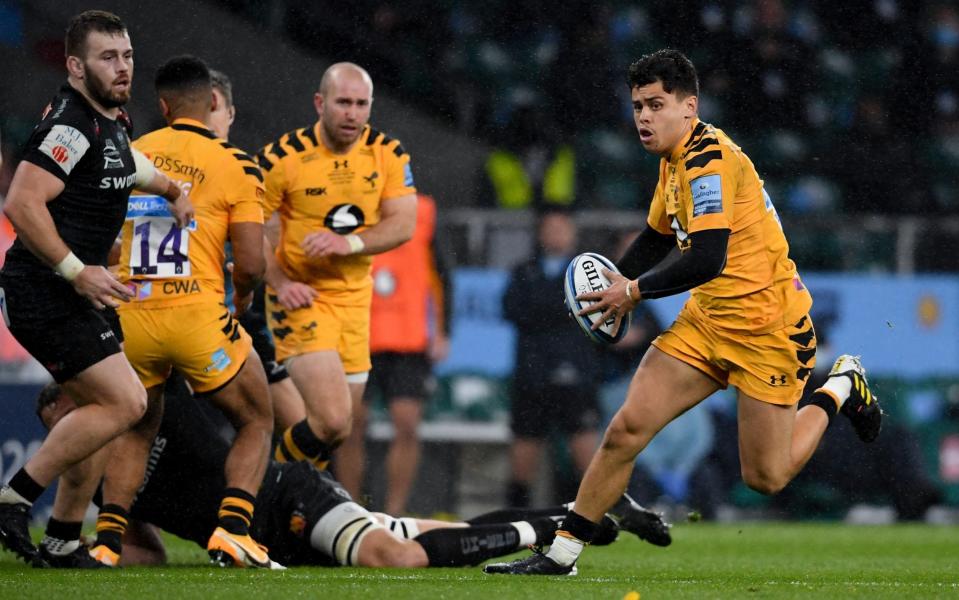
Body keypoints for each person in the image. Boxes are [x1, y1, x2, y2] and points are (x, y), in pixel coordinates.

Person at [485, 49, 882, 576]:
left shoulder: (709, 160)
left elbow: (709, 257)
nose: (643, 117)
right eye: (637, 106)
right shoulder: (673, 161)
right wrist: (610, 288)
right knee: (626, 430)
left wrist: (631, 293)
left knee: (766, 477)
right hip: (708, 322)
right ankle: (562, 553)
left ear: (688, 107)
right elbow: (655, 236)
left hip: (769, 329)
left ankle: (841, 387)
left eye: (655, 105)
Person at [37, 380, 671, 568]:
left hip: (291, 499)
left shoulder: (153, 407)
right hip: (272, 544)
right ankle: (569, 517)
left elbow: (246, 420)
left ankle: (546, 537)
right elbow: (140, 553)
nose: (64, 434)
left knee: (395, 559)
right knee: (435, 529)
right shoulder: (93, 487)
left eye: (66, 414)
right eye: (54, 428)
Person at [0, 10, 192, 567]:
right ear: (76, 66)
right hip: (44, 289)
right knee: (126, 401)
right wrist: (75, 270)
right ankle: (13, 499)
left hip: (74, 292)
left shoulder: (107, 119)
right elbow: (21, 203)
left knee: (100, 415)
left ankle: (61, 539)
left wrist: (173, 188)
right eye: (109, 57)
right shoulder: (69, 124)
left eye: (127, 55)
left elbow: (126, 164)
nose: (123, 66)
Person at [97, 55, 276, 569]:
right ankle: (234, 530)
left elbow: (106, 246)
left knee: (137, 425)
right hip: (197, 316)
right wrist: (240, 303)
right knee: (257, 418)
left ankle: (108, 540)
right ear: (214, 101)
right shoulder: (236, 163)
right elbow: (250, 263)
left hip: (133, 314)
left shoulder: (131, 153)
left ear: (162, 105)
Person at [256, 63, 418, 475]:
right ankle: (261, 491)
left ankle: (288, 504)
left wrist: (349, 243)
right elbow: (246, 225)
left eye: (361, 104)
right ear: (320, 103)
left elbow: (403, 224)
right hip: (301, 296)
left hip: (355, 300)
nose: (353, 113)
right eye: (343, 102)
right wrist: (279, 281)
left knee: (339, 429)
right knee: (329, 419)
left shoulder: (388, 153)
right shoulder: (282, 157)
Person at [209, 68, 307, 431]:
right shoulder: (160, 168)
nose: (207, 119)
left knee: (298, 430)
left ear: (231, 114)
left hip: (239, 320)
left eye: (214, 109)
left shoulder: (245, 172)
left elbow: (265, 247)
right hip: (186, 318)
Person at [338, 192, 450, 512]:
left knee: (407, 424)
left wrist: (443, 331)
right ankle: (349, 508)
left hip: (408, 339)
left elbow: (441, 272)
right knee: (349, 425)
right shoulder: (348, 204)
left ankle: (394, 512)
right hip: (359, 333)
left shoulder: (423, 210)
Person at [501, 207, 602, 507]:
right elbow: (512, 310)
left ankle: (595, 511)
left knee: (584, 445)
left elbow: (597, 314)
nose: (556, 234)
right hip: (532, 375)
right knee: (524, 445)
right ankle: (517, 513)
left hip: (577, 373)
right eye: (550, 228)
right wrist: (564, 310)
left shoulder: (590, 273)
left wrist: (545, 309)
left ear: (573, 233)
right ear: (540, 233)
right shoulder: (523, 271)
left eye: (562, 228)